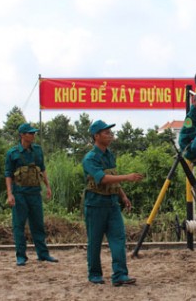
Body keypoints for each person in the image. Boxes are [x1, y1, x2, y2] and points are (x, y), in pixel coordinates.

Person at [82, 120, 144, 286]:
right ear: (96, 136)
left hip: (112, 204)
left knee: (118, 238)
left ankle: (120, 275)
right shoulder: (90, 158)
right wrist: (127, 177)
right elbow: (102, 178)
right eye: (106, 132)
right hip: (95, 205)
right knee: (95, 241)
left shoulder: (110, 155)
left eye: (110, 132)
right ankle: (94, 274)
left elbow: (113, 179)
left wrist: (123, 196)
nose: (110, 135)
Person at [4, 123, 58, 266]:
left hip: (35, 192)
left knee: (38, 224)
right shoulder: (12, 153)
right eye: (30, 133)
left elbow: (42, 169)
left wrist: (48, 186)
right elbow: (8, 175)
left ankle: (43, 254)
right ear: (22, 135)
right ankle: (21, 256)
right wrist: (10, 194)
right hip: (19, 193)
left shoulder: (38, 151)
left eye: (34, 133)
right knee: (19, 225)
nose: (33, 135)